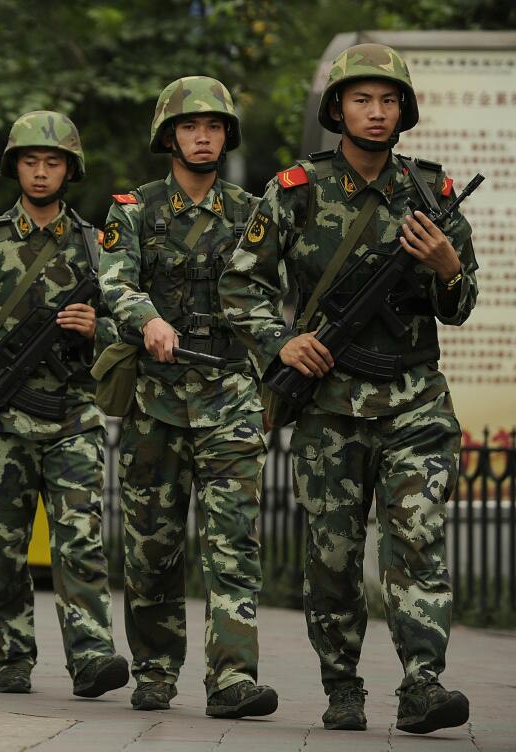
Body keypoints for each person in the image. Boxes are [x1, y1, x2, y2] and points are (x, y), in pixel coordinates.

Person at [218, 43, 477, 734]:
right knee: (333, 557)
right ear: (338, 109)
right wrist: (281, 342)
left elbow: (460, 303)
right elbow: (239, 283)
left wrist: (449, 267)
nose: (376, 111)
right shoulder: (296, 190)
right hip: (330, 408)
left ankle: (424, 684)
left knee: (417, 542)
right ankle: (342, 686)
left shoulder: (431, 191)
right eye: (362, 99)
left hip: (415, 400)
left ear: (404, 111)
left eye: (388, 100)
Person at [0, 110, 129, 697]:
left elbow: (130, 329)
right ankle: (14, 652)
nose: (40, 173)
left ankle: (91, 657)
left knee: (80, 541)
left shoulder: (96, 245)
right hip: (1, 421)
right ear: (15, 167)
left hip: (73, 418)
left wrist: (95, 332)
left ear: (69, 169)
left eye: (52, 162)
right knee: (2, 548)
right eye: (31, 162)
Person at [101, 76, 276, 718]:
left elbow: (271, 296)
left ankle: (232, 678)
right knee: (152, 547)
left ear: (227, 136)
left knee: (233, 546)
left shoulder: (254, 211)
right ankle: (153, 668)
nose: (202, 137)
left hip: (230, 399)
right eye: (189, 127)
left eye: (214, 127)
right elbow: (113, 282)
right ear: (168, 136)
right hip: (156, 405)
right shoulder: (134, 209)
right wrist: (147, 318)